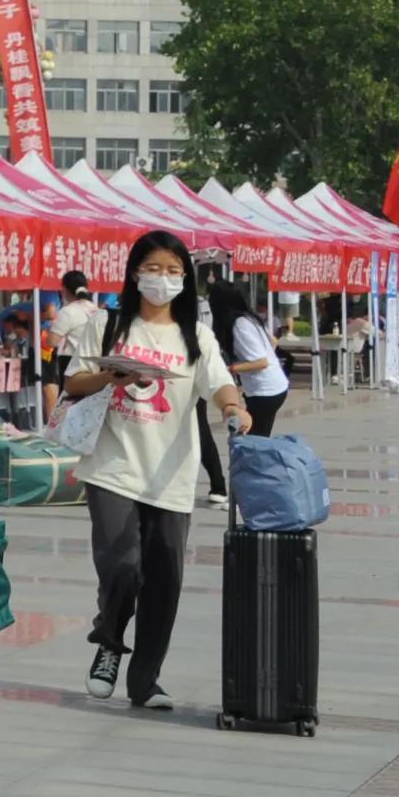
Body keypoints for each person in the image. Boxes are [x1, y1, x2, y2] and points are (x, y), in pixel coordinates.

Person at [62, 233, 249, 710]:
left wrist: (235, 410)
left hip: (171, 475)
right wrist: (113, 376)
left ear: (185, 279)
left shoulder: (196, 336)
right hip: (113, 467)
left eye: (172, 271)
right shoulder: (107, 324)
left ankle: (145, 681)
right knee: (123, 566)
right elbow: (74, 381)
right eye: (152, 268)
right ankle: (109, 642)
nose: (161, 279)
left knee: (164, 581)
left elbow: (222, 384)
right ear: (133, 272)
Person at [210, 279, 290, 437]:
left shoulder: (240, 324)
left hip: (266, 391)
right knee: (255, 437)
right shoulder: (250, 319)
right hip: (271, 387)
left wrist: (231, 369)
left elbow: (261, 362)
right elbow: (272, 342)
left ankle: (260, 461)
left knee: (252, 439)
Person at [49, 272, 106, 387]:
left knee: (71, 401)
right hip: (96, 362)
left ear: (64, 289)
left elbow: (52, 341)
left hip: (73, 363)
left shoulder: (67, 311)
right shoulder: (96, 309)